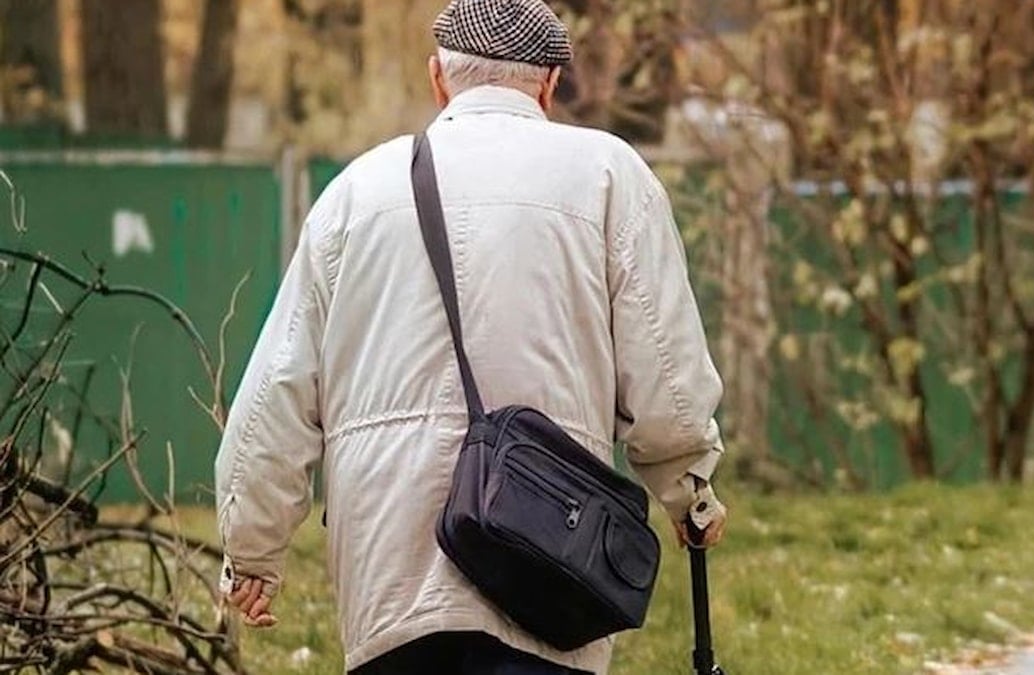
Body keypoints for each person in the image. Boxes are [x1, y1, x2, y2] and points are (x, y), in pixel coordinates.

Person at [214, 0, 727, 673]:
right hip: (549, 561)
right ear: (549, 83)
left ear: (439, 79)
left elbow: (280, 388)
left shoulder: (354, 195)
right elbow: (664, 364)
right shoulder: (607, 175)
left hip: (391, 576)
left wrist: (252, 550)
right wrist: (690, 489)